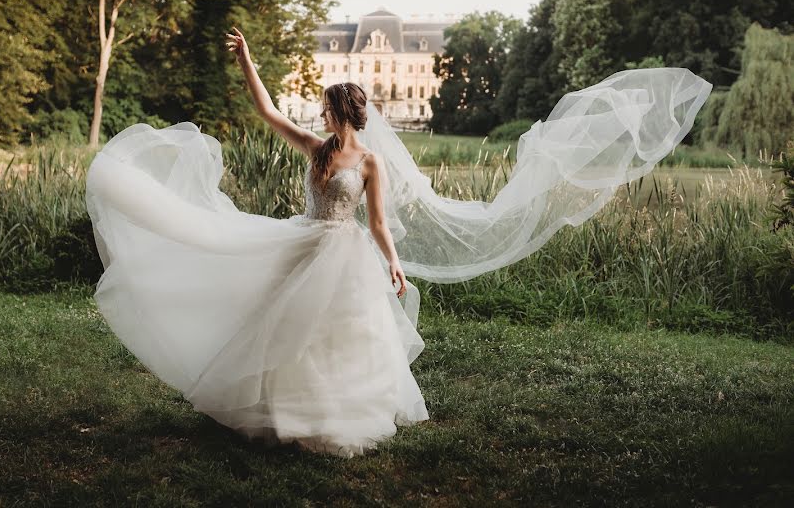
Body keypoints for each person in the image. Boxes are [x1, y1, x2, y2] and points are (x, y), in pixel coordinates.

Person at [85, 26, 712, 458]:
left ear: (344, 115)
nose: (322, 117)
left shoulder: (370, 164)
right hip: (307, 242)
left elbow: (379, 223)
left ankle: (332, 418)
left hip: (345, 253)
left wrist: (393, 265)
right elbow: (269, 112)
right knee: (283, 327)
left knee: (341, 337)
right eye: (324, 111)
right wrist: (247, 57)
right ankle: (282, 414)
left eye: (329, 110)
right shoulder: (317, 148)